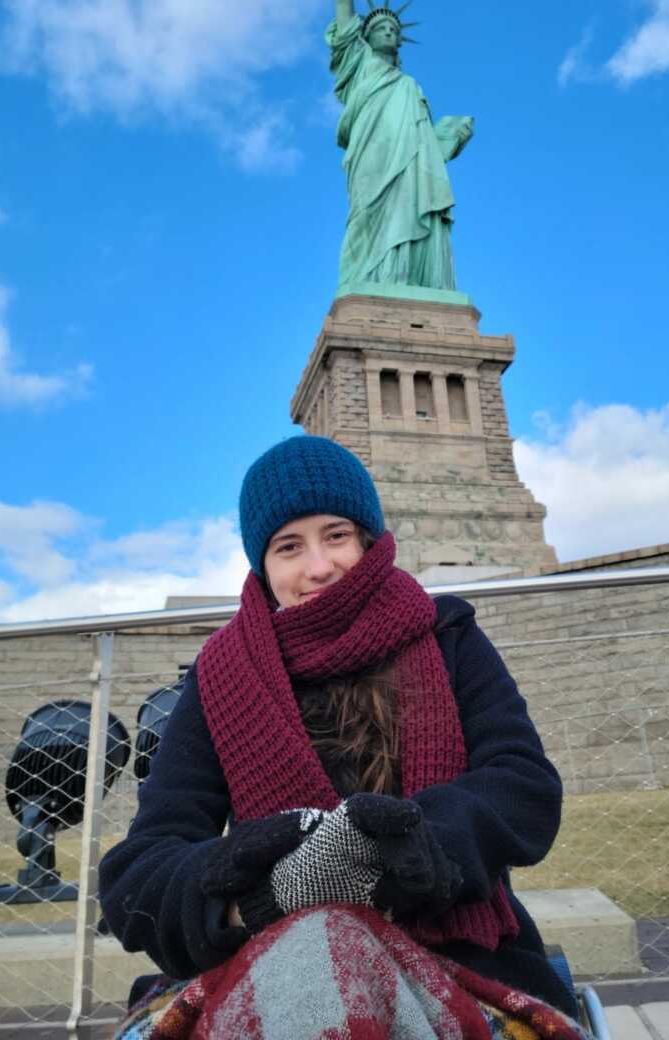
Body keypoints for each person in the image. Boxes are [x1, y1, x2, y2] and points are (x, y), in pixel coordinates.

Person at [99, 436, 589, 1038]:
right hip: (269, 958)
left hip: (458, 959)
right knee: (320, 955)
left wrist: (393, 852)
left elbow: (520, 783)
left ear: (366, 539)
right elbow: (140, 871)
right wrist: (260, 896)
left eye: (335, 535)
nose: (319, 567)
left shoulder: (447, 636)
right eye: (288, 547)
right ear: (263, 563)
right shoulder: (218, 678)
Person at [326, 0, 474, 294]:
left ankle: (412, 281)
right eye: (379, 28)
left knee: (412, 206)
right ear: (366, 38)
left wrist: (450, 139)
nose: (388, 31)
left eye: (393, 28)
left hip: (408, 168)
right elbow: (344, 8)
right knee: (366, 217)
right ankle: (370, 282)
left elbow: (427, 152)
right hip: (371, 160)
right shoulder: (358, 65)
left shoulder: (410, 87)